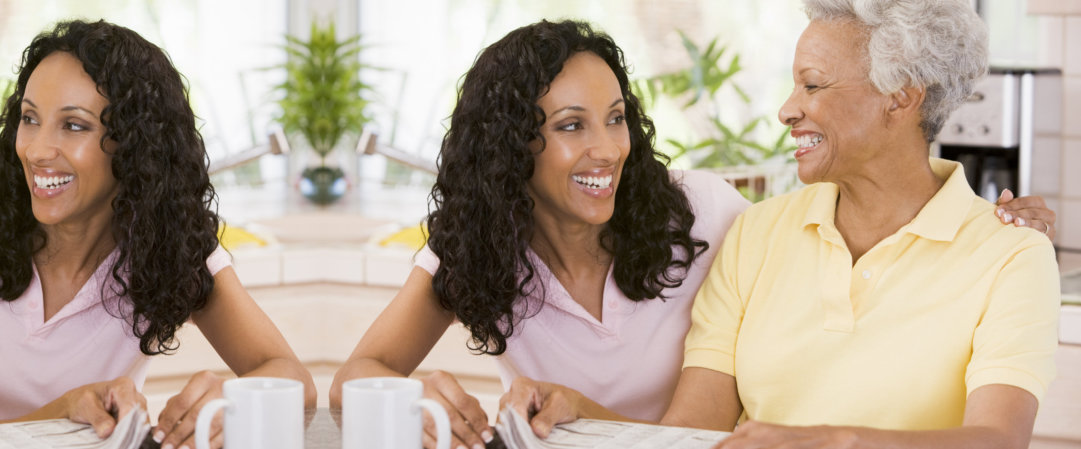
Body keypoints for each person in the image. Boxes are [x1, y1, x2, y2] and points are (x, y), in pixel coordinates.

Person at [331, 18, 1056, 449]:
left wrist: (997, 228)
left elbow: (995, 439)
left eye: (615, 118)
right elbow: (691, 433)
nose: (607, 149)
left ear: (902, 97)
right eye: (569, 126)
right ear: (508, 147)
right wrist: (423, 395)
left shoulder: (711, 217)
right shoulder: (765, 235)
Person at [0, 19, 316, 449]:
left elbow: (293, 380)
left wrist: (236, 401)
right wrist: (61, 409)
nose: (36, 150)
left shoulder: (162, 249)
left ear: (133, 145)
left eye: (73, 126)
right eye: (30, 118)